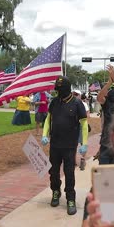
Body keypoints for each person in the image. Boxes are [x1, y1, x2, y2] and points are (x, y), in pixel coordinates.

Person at [41, 76, 88, 215]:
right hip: (55, 144)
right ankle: (55, 191)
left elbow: (84, 124)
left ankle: (70, 199)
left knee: (69, 173)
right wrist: (45, 134)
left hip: (69, 146)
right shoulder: (54, 102)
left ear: (67, 89)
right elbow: (48, 119)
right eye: (57, 89)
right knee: (53, 172)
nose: (58, 92)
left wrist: (84, 143)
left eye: (60, 89)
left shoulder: (77, 103)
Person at [96, 64, 114, 164]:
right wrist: (109, 83)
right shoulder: (106, 102)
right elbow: (99, 97)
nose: (112, 90)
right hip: (105, 145)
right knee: (104, 176)